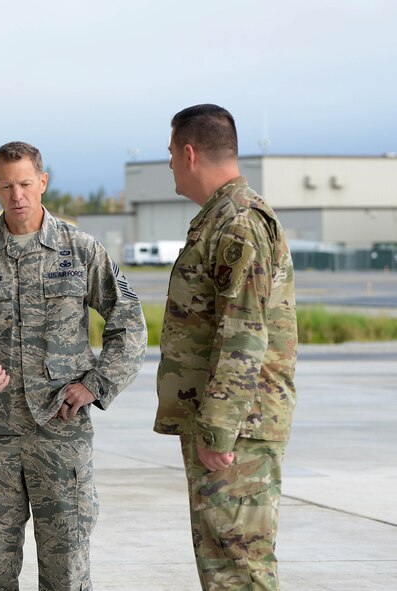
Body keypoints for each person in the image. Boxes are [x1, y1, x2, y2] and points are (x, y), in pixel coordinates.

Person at [0, 141, 147, 590]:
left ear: (43, 182)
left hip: (61, 434)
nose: (18, 196)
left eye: (26, 183)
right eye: (7, 186)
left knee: (66, 565)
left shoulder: (81, 250)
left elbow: (129, 322)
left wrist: (97, 384)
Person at [155, 104, 298, 590]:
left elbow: (244, 333)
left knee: (239, 567)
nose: (170, 164)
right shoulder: (219, 218)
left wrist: (219, 430)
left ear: (189, 153)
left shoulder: (237, 222)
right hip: (229, 423)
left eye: (171, 153)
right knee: (223, 561)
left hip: (238, 429)